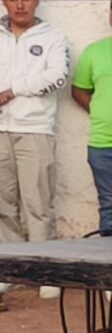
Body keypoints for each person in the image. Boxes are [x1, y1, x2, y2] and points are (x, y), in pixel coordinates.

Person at [0, 0, 71, 259]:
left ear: (36, 1)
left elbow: (57, 76)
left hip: (35, 130)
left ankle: (43, 267)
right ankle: (10, 266)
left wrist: (14, 91)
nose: (20, 5)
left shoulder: (53, 38)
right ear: (4, 2)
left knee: (38, 203)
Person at [70, 31, 112, 235]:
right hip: (102, 144)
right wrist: (96, 109)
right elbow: (79, 89)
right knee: (109, 207)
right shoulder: (95, 51)